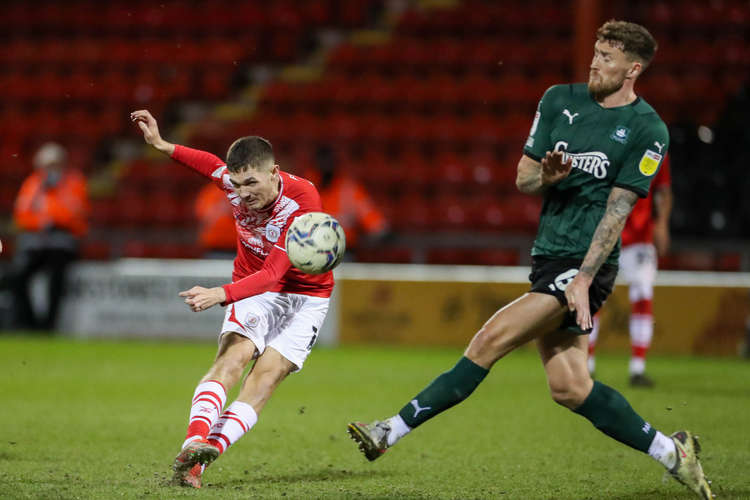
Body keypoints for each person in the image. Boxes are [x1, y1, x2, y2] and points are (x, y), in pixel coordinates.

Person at [347, 21, 712, 499]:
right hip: (548, 256)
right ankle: (672, 453)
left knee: (488, 341)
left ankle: (388, 431)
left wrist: (583, 278)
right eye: (596, 52)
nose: (594, 61)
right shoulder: (559, 99)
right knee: (570, 388)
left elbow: (619, 209)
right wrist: (549, 176)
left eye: (607, 56)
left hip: (587, 265)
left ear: (633, 69)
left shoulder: (648, 128)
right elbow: (523, 180)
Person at [131, 110, 335, 489]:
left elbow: (275, 274)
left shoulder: (303, 199)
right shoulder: (232, 181)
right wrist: (162, 145)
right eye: (238, 184)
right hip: (253, 285)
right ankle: (194, 442)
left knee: (266, 378)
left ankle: (197, 464)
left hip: (306, 295)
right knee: (233, 357)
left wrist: (219, 293)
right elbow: (208, 164)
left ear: (275, 172)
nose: (243, 193)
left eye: (252, 183)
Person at [588, 156, 672, 386]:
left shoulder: (653, 143)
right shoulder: (606, 136)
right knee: (593, 299)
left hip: (639, 237)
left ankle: (637, 368)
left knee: (643, 295)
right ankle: (586, 365)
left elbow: (662, 189)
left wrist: (662, 223)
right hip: (603, 233)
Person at [5, 142, 89, 330]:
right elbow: (22, 215)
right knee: (17, 278)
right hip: (35, 243)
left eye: (54, 164)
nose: (50, 169)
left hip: (62, 244)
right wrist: (42, 221)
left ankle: (49, 325)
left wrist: (52, 215)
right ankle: (29, 323)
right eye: (47, 165)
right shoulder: (33, 183)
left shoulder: (74, 182)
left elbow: (76, 214)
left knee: (56, 280)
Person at [306, 145, 388, 257]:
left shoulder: (349, 191)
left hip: (343, 253)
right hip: (309, 251)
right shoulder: (305, 187)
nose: (325, 169)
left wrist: (362, 242)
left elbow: (377, 227)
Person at [194, 182, 236, 259]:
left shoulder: (250, 190)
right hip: (215, 249)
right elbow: (205, 218)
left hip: (243, 250)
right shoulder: (212, 191)